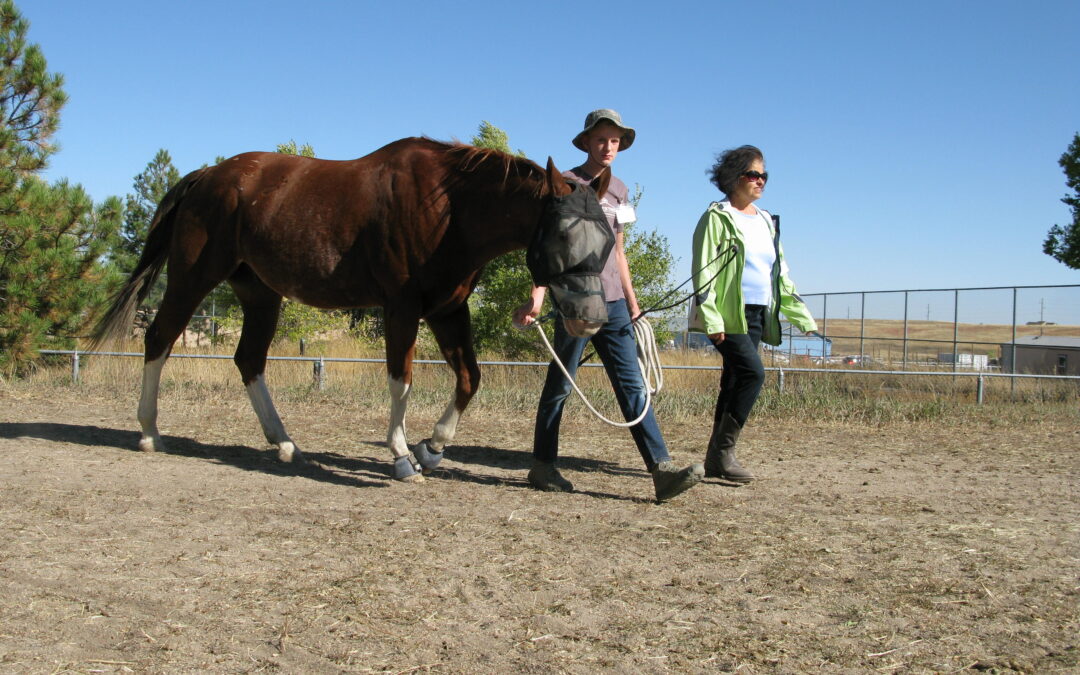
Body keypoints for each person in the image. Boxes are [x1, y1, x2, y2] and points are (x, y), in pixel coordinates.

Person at [514, 109, 703, 502]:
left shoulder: (619, 188)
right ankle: (543, 465)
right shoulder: (565, 184)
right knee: (561, 384)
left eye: (615, 140)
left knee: (632, 384)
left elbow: (619, 249)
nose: (608, 147)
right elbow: (552, 247)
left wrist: (634, 305)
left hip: (614, 303)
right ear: (586, 142)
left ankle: (662, 470)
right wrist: (538, 295)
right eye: (601, 139)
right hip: (576, 301)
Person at [691, 145, 818, 482]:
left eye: (764, 175)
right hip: (728, 312)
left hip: (759, 313)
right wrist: (712, 318)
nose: (760, 181)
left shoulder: (766, 220)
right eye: (753, 174)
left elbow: (780, 273)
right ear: (734, 178)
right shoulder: (717, 217)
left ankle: (716, 459)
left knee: (733, 380)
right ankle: (724, 453)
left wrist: (800, 315)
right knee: (753, 374)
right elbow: (703, 269)